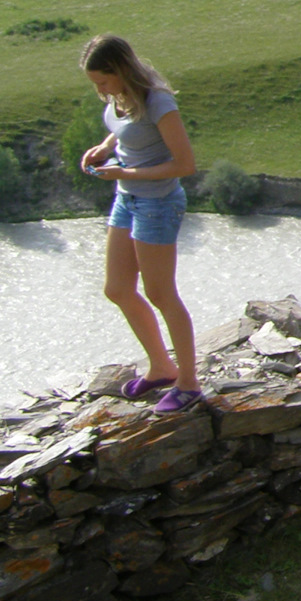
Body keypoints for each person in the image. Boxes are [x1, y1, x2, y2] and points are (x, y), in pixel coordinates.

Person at [77, 34, 202, 413]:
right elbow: (128, 128)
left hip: (157, 203)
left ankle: (189, 383)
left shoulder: (159, 101)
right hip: (127, 198)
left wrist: (125, 171)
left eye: (102, 81)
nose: (100, 89)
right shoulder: (122, 97)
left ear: (120, 71)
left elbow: (185, 165)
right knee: (117, 288)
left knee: (161, 293)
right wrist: (105, 147)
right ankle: (162, 367)